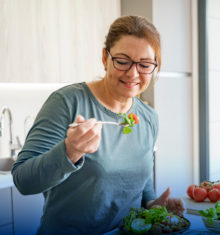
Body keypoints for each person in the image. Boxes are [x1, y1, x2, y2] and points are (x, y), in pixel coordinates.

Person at [12, 15, 184, 234]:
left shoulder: (148, 117)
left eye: (145, 64)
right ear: (105, 57)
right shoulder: (67, 103)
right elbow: (23, 181)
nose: (133, 73)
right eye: (122, 61)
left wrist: (153, 206)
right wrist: (69, 152)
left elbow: (141, 183)